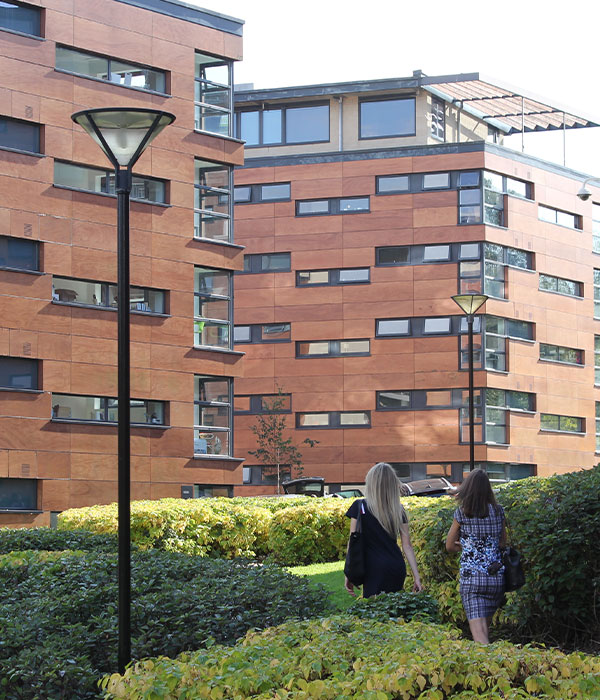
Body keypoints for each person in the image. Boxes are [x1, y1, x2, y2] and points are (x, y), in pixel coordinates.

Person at [445, 468, 507, 644]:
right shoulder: (498, 511)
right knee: (484, 633)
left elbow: (449, 546)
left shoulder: (462, 513)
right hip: (495, 579)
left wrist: (466, 547)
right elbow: (502, 543)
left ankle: (492, 670)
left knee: (480, 640)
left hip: (472, 580)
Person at [345, 462, 423, 598]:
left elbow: (353, 543)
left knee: (375, 612)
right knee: (394, 611)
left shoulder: (360, 506)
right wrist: (416, 577)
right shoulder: (398, 509)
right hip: (396, 566)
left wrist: (349, 572)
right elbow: (407, 546)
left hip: (372, 568)